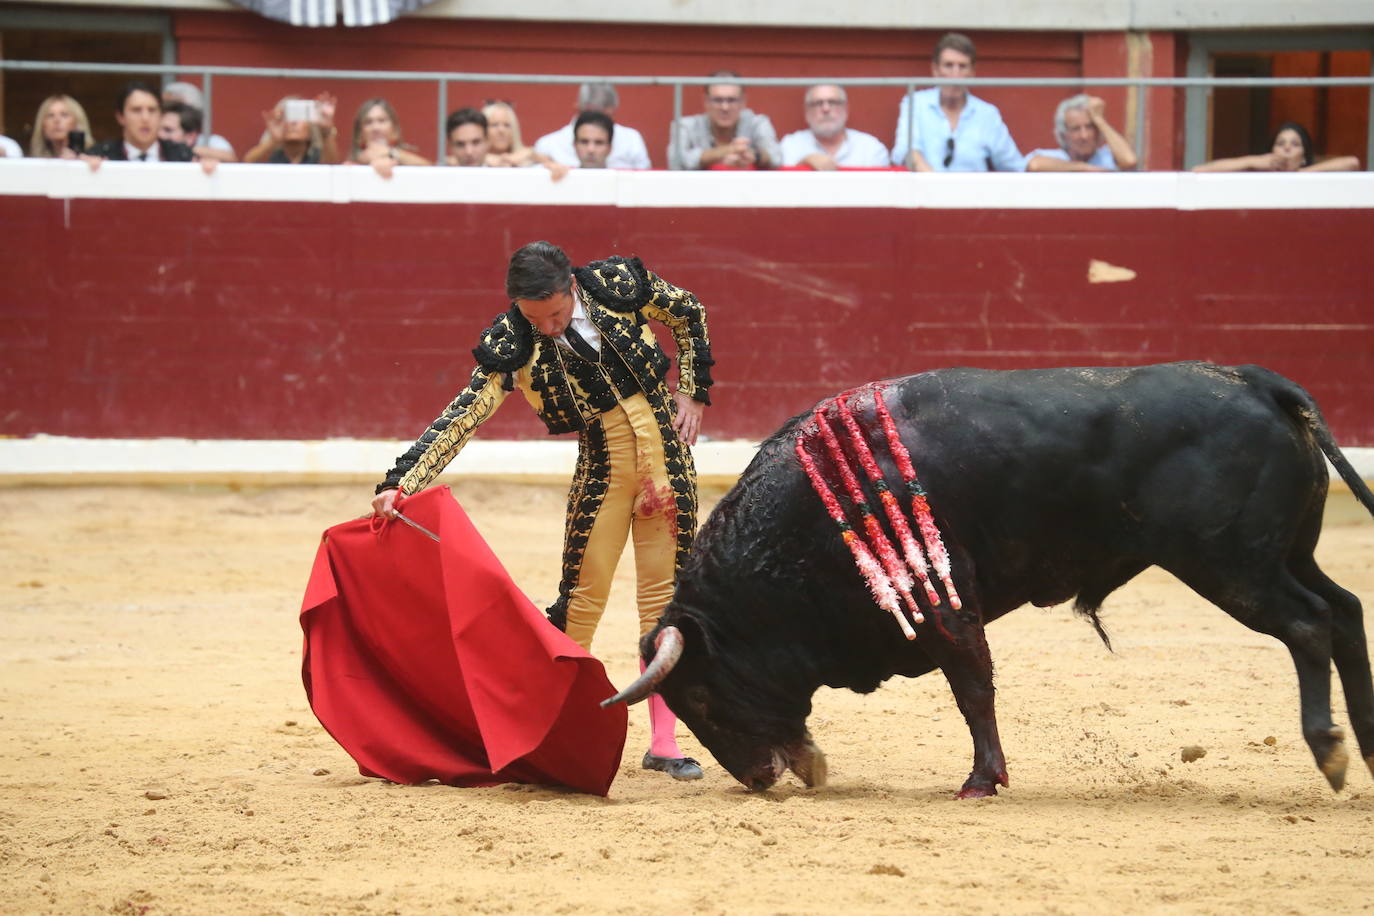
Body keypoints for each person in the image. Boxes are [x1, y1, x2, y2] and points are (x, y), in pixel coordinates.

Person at [370, 241, 715, 781]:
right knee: (580, 602)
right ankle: (554, 733)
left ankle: (665, 743)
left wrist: (693, 392)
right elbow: (465, 413)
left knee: (666, 603)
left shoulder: (614, 285)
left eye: (554, 315)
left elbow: (689, 311)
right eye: (535, 319)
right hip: (602, 471)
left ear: (570, 289)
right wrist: (402, 482)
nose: (548, 328)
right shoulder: (514, 341)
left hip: (668, 466)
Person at [891, 32, 1023, 172]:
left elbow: (1014, 165)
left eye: (962, 66)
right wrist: (936, 186)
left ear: (972, 72)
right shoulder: (915, 103)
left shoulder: (987, 114)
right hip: (925, 190)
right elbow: (906, 152)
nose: (955, 74)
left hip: (973, 192)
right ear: (935, 70)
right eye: (948, 65)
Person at [668, 70, 781, 171]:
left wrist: (754, 156)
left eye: (731, 100)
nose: (725, 107)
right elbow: (675, 162)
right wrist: (727, 151)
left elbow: (777, 158)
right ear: (706, 101)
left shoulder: (757, 123)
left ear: (743, 102)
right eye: (718, 100)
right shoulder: (686, 125)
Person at [533, 82, 651, 170]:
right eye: (584, 142)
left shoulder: (631, 139)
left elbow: (644, 180)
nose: (591, 149)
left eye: (599, 142)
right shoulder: (548, 144)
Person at [779, 84, 890, 170]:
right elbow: (781, 191)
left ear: (846, 109)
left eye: (833, 102)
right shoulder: (790, 146)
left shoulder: (870, 148)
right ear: (807, 112)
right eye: (818, 103)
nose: (826, 109)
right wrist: (803, 165)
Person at [86, 81, 194, 163]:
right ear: (120, 117)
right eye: (136, 110)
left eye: (152, 110)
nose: (145, 118)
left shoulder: (184, 156)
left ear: (160, 116)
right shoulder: (101, 156)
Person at [1024, 94, 1137, 172]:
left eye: (1089, 127)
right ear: (1064, 134)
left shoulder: (1107, 156)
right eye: (1076, 129)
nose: (1084, 136)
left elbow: (1129, 160)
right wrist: (1083, 168)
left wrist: (1099, 119)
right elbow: (1034, 165)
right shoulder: (1053, 156)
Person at [1192, 122, 1361, 173]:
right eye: (1280, 144)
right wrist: (1253, 161)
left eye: (1295, 144)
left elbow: (1352, 163)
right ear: (1272, 151)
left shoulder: (1313, 174)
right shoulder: (1259, 171)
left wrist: (1301, 174)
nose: (1287, 148)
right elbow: (1198, 170)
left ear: (1304, 155)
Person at [243, 94, 340, 165]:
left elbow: (331, 166)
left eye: (300, 116)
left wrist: (325, 132)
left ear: (310, 126)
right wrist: (274, 140)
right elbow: (249, 163)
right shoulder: (272, 154)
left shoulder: (317, 155)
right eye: (289, 116)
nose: (294, 122)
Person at [162, 81, 237, 162]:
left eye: (176, 107)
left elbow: (231, 159)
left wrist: (187, 150)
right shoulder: (155, 137)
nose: (165, 110)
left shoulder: (210, 141)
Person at [350, 98, 432, 170]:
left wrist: (391, 153)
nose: (375, 128)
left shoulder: (409, 157)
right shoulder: (350, 166)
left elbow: (431, 170)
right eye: (368, 122)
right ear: (360, 132)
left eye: (381, 120)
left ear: (394, 128)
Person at [29, 94, 93, 158]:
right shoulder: (33, 162)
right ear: (42, 126)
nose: (56, 120)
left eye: (64, 115)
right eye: (50, 115)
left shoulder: (94, 157)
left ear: (77, 122)